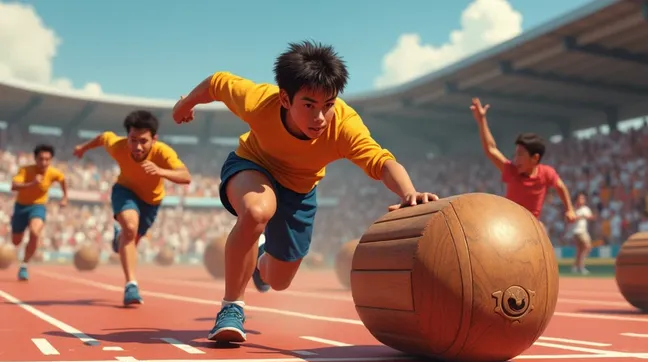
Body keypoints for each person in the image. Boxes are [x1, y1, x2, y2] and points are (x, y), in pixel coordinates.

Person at [172, 40, 439, 343]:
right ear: (285, 99)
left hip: (299, 191)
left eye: (328, 105)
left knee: (279, 280)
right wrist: (186, 104)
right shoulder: (259, 102)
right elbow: (217, 82)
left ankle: (261, 262)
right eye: (309, 105)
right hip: (252, 165)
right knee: (258, 211)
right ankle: (232, 307)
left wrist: (409, 193)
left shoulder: (345, 126)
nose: (320, 118)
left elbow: (382, 162)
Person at [73, 110, 191, 306]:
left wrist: (160, 170)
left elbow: (185, 176)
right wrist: (83, 149)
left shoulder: (163, 152)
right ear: (127, 137)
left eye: (143, 141)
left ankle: (119, 238)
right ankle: (131, 285)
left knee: (129, 241)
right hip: (124, 191)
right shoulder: (118, 146)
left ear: (154, 139)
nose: (137, 146)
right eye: (133, 139)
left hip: (151, 202)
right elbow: (103, 137)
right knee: (130, 227)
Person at [469, 97, 576, 225]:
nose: (515, 159)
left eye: (520, 155)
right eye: (515, 155)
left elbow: (561, 186)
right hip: (509, 224)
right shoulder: (512, 171)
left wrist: (569, 209)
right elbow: (491, 149)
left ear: (535, 158)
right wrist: (482, 120)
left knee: (542, 229)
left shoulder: (546, 173)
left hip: (532, 225)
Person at [10, 144, 68, 281]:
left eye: (47, 160)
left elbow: (63, 181)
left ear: (51, 160)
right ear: (35, 159)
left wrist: (65, 197)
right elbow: (13, 186)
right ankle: (21, 241)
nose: (44, 163)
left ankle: (24, 265)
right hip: (21, 207)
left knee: (35, 232)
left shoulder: (54, 173)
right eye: (41, 159)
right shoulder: (25, 170)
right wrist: (32, 184)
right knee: (16, 241)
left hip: (38, 206)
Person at [570, 191, 595, 274]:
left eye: (583, 198)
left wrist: (588, 217)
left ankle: (576, 266)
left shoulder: (586, 209)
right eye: (580, 198)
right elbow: (570, 218)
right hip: (578, 231)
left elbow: (591, 217)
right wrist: (580, 216)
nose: (582, 200)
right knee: (587, 246)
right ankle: (580, 266)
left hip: (583, 230)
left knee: (580, 250)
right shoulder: (574, 208)